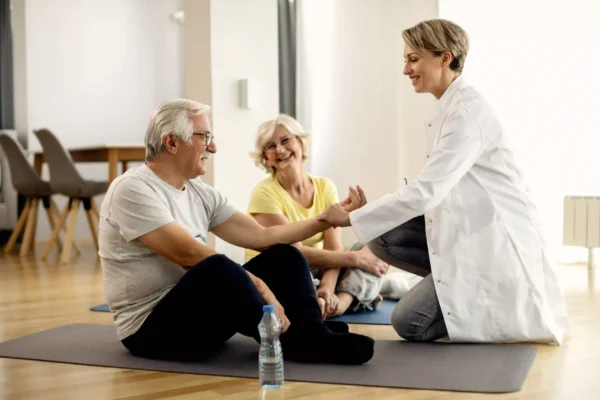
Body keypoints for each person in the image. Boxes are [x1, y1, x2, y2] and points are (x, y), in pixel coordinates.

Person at [318, 19, 569, 344]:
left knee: (408, 323)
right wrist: (370, 214)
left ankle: (465, 299)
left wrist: (351, 217)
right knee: (382, 236)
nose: (406, 69)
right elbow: (434, 192)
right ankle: (444, 286)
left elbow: (426, 191)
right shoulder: (446, 110)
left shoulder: (467, 113)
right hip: (465, 233)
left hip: (492, 247)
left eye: (413, 59)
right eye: (405, 60)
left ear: (445, 57)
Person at [98, 99, 375, 364]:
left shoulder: (200, 193)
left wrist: (326, 219)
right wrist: (262, 289)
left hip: (198, 320)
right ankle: (304, 336)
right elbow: (189, 254)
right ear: (171, 142)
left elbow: (262, 236)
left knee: (285, 255)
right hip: (152, 333)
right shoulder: (132, 189)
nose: (213, 147)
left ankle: (307, 336)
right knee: (215, 266)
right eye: (204, 137)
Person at [246, 115, 388, 318]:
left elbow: (333, 247)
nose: (279, 149)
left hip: (317, 270)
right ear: (266, 159)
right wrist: (355, 259)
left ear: (302, 144)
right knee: (351, 262)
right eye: (271, 146)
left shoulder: (325, 186)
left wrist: (327, 289)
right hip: (281, 272)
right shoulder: (264, 193)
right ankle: (354, 298)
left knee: (377, 244)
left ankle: (338, 303)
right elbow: (295, 255)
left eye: (285, 140)